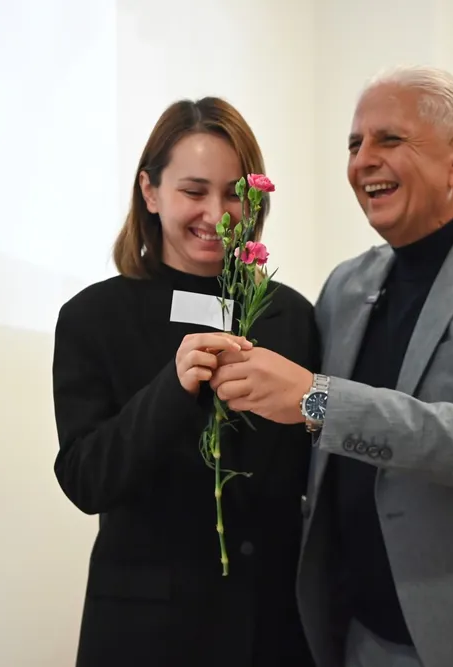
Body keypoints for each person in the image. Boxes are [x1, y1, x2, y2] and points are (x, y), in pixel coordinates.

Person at [208, 67, 453, 667]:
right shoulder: (346, 286)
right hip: (362, 636)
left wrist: (314, 398)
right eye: (354, 144)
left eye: (390, 139)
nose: (363, 161)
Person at [51, 96, 317, 667]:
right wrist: (171, 392)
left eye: (234, 194)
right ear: (150, 191)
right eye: (194, 192)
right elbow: (84, 480)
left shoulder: (291, 316)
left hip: (270, 627)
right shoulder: (94, 317)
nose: (216, 215)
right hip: (146, 634)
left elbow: (316, 471)